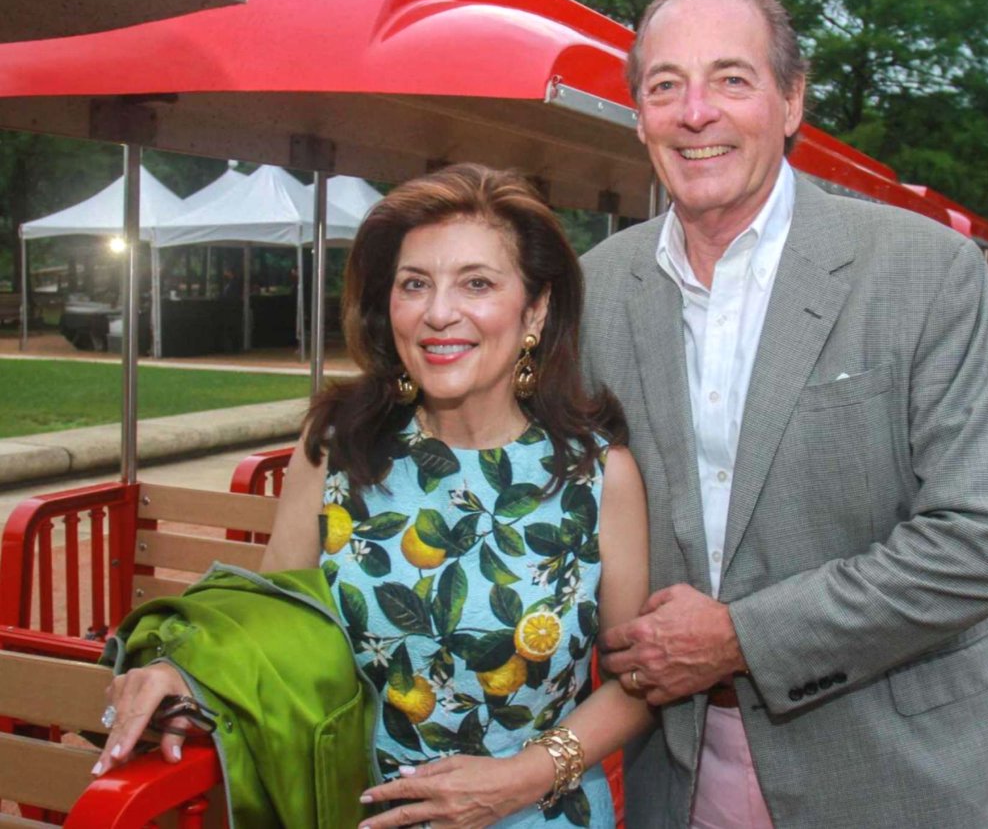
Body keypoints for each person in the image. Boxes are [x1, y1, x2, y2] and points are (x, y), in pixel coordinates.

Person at [580, 0, 988, 828]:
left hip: (897, 773)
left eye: (732, 79)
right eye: (665, 85)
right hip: (674, 777)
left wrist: (741, 637)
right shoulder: (597, 289)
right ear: (639, 113)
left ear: (792, 101)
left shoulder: (920, 270)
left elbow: (987, 541)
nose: (695, 112)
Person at [95, 164, 654, 827]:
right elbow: (279, 634)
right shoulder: (337, 447)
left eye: (477, 282)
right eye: (415, 284)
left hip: (541, 812)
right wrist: (190, 676)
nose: (438, 312)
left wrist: (522, 778)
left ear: (535, 309)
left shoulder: (597, 474)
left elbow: (637, 682)